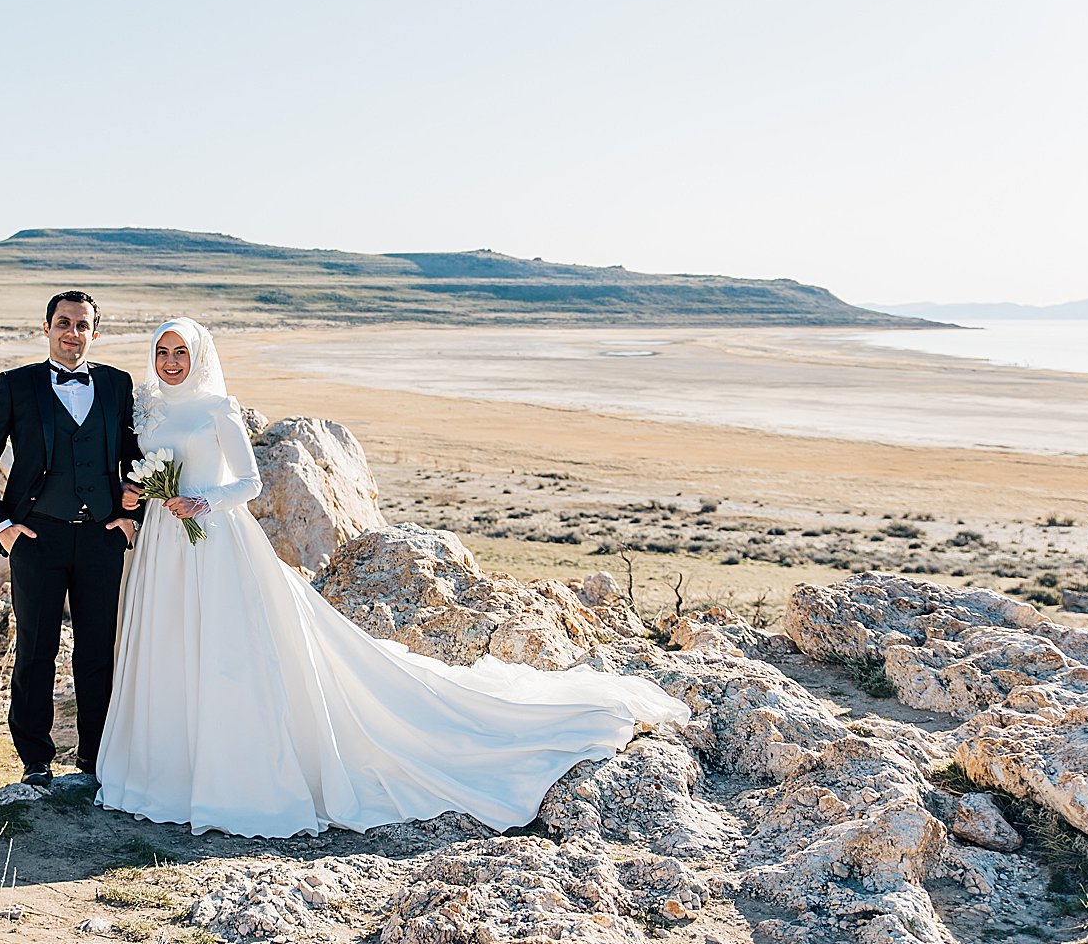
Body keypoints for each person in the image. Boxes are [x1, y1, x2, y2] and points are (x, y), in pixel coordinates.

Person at [95, 317, 690, 837]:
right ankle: (167, 772)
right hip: (162, 549)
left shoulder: (218, 409)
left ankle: (233, 774)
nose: (171, 364)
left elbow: (248, 484)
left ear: (199, 357)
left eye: (181, 353)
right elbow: (135, 468)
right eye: (163, 353)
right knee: (170, 648)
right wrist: (143, 493)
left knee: (230, 653)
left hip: (215, 542)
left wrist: (200, 502)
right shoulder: (145, 405)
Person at [0, 290, 143, 785]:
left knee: (96, 650)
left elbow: (138, 456)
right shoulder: (17, 385)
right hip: (36, 538)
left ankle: (95, 758)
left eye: (82, 325)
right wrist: (2, 526)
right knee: (36, 647)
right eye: (63, 323)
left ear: (94, 333)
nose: (72, 333)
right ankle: (35, 760)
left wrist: (136, 513)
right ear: (46, 329)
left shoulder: (116, 385)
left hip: (102, 539)